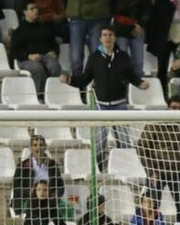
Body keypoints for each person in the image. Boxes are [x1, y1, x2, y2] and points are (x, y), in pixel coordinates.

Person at [60, 25, 148, 170]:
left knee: (124, 141)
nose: (107, 37)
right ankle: (100, 170)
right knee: (99, 142)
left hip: (119, 105)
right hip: (100, 106)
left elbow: (131, 75)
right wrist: (70, 80)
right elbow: (85, 79)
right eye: (105, 35)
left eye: (110, 35)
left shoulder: (123, 57)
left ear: (114, 37)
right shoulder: (94, 58)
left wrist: (140, 83)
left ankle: (125, 170)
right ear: (100, 38)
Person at [137, 116, 180, 224]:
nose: (177, 111)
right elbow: (142, 147)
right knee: (151, 203)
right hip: (157, 171)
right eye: (175, 108)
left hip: (178, 171)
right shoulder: (155, 124)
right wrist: (151, 171)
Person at [10, 0, 62, 96]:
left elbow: (54, 43)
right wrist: (28, 56)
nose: (36, 10)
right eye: (32, 9)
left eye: (36, 8)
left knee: (55, 66)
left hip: (45, 55)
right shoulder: (19, 31)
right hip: (26, 59)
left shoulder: (45, 27)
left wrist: (53, 51)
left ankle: (53, 93)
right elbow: (15, 51)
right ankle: (39, 95)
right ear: (25, 12)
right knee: (37, 68)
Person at [10, 134, 64, 216]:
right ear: (31, 148)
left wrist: (55, 195)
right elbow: (16, 188)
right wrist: (30, 192)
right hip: (28, 199)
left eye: (41, 145)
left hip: (49, 199)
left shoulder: (52, 164)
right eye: (35, 145)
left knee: (66, 208)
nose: (38, 147)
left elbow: (60, 186)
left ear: (45, 147)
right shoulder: (23, 166)